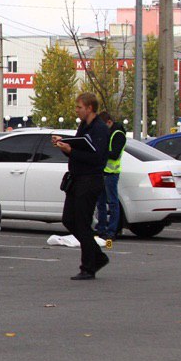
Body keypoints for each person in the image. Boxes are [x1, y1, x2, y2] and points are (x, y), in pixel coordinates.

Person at [52, 92, 112, 279]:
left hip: (90, 180)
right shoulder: (83, 126)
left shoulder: (100, 129)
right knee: (69, 220)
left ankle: (88, 266)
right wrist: (65, 147)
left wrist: (71, 150)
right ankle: (98, 256)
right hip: (76, 179)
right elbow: (78, 150)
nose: (76, 110)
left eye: (79, 107)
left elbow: (97, 158)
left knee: (82, 223)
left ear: (90, 108)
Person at [94, 110, 126, 247]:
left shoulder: (118, 134)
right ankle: (101, 229)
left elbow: (114, 154)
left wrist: (100, 151)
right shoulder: (107, 132)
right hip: (102, 172)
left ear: (109, 122)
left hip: (111, 174)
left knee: (113, 203)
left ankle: (112, 231)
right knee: (100, 203)